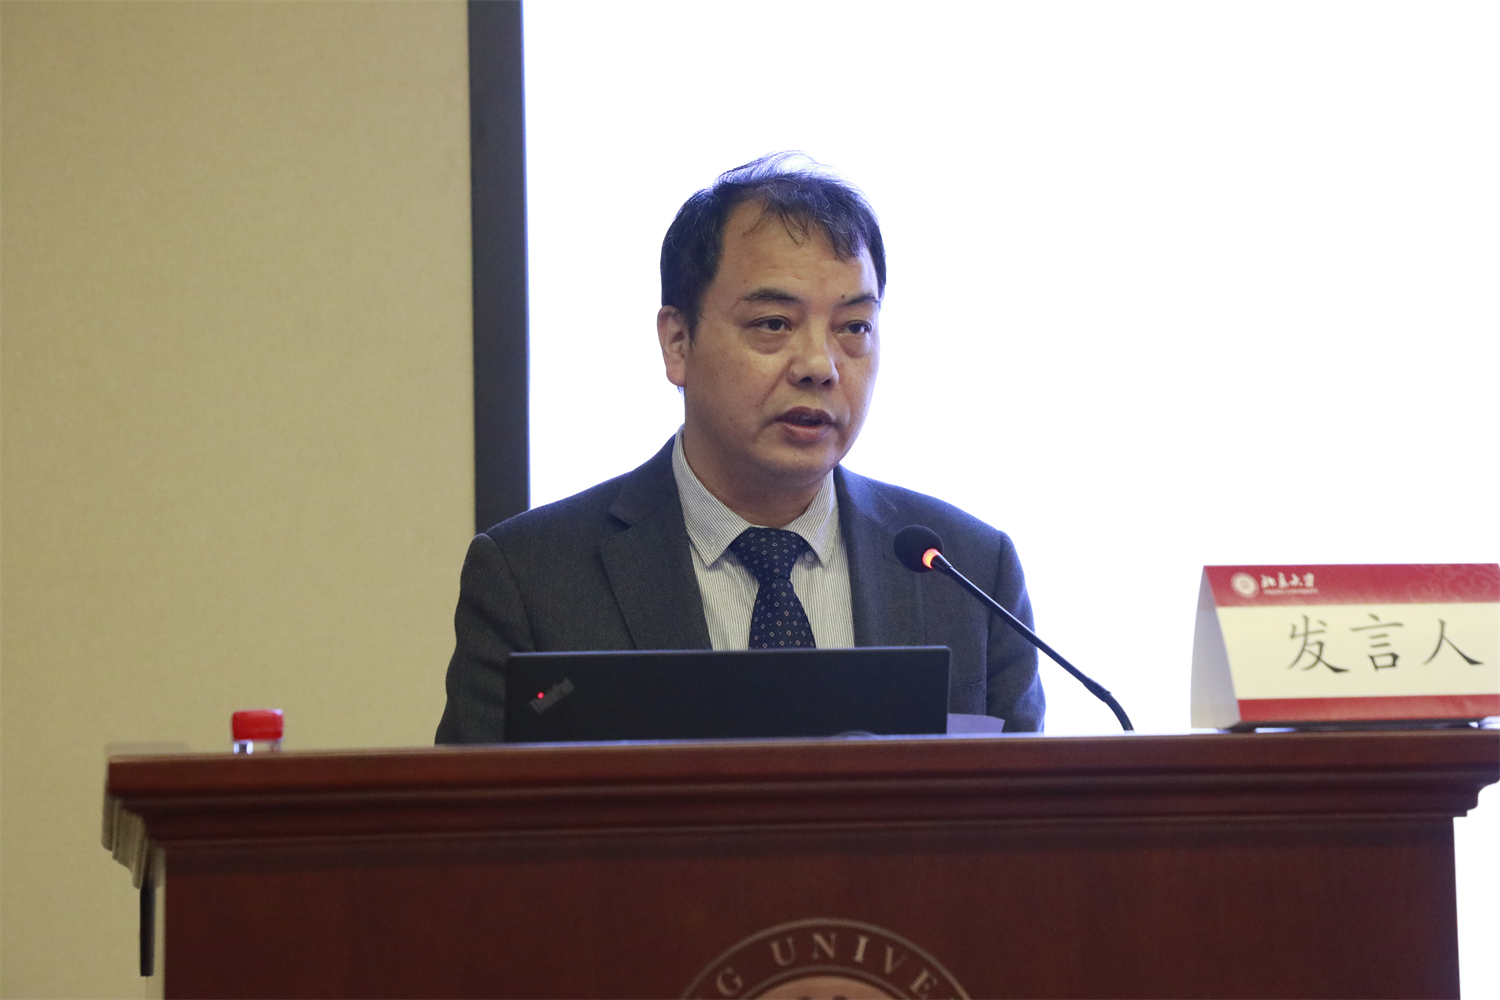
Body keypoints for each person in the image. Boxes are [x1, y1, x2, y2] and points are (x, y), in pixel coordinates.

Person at [435, 154, 1043, 743]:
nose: (820, 366)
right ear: (678, 342)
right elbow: (477, 814)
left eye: (853, 327)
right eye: (774, 324)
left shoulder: (970, 573)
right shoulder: (531, 579)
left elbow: (1022, 811)